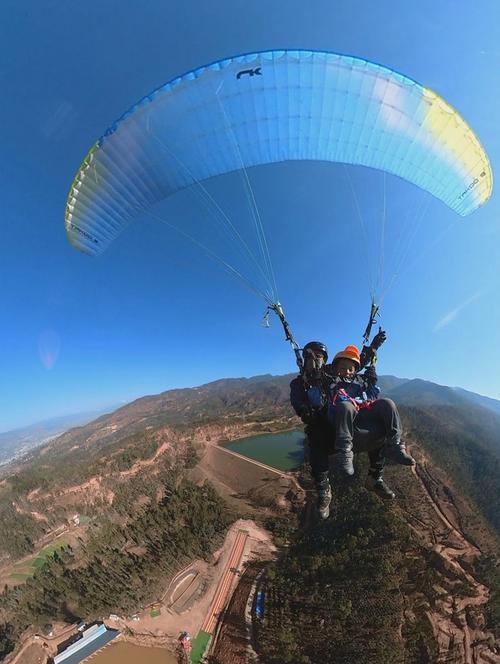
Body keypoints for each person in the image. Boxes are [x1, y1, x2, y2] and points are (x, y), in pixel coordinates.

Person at [290, 336, 414, 519]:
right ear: (305, 359)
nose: (316, 360)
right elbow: (300, 400)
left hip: (346, 421)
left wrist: (372, 348)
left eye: (320, 357)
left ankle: (375, 476)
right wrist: (304, 410)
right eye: (312, 357)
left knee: (378, 424)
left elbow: (352, 365)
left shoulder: (329, 373)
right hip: (326, 428)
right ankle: (324, 490)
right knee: (316, 438)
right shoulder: (302, 382)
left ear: (325, 360)